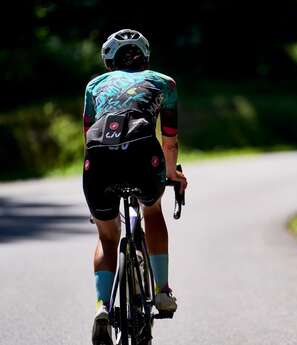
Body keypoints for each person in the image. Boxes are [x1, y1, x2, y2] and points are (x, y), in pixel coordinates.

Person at [82, 29, 188, 345]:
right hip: (143, 154)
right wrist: (173, 174)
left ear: (109, 61)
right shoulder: (164, 83)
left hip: (99, 160)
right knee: (152, 211)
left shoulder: (94, 85)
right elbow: (169, 138)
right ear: (145, 57)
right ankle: (162, 291)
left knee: (106, 235)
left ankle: (102, 305)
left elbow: (89, 139)